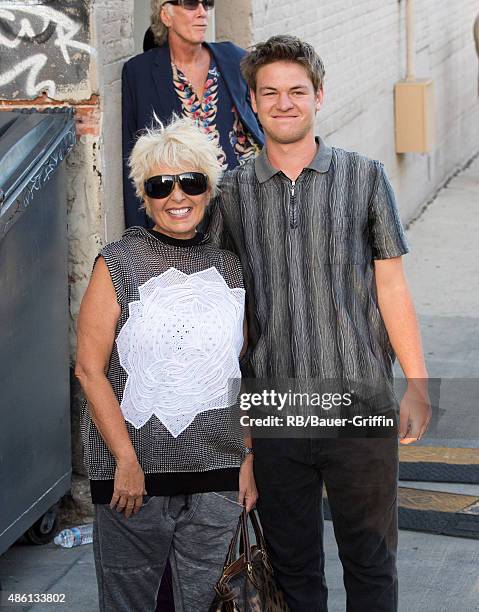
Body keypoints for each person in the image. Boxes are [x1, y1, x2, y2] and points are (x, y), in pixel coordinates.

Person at [209, 35, 431, 612]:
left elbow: (392, 286)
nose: (284, 103)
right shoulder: (231, 194)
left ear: (319, 96)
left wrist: (416, 381)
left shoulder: (366, 177)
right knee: (292, 571)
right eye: (270, 93)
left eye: (297, 91)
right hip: (278, 412)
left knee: (371, 563)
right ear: (253, 103)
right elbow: (228, 316)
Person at [76, 116, 257, 612]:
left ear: (208, 189)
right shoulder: (118, 262)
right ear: (145, 194)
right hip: (134, 481)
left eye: (190, 181)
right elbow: (89, 370)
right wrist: (125, 462)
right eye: (160, 185)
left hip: (217, 476)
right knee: (129, 603)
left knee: (206, 603)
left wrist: (246, 458)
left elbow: (234, 370)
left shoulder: (231, 266)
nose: (177, 196)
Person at [122, 0, 263, 228]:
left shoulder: (234, 59)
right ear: (166, 15)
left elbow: (261, 123)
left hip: (246, 208)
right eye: (190, 4)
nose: (202, 13)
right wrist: (138, 237)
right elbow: (132, 159)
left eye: (206, 3)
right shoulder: (139, 73)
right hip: (184, 211)